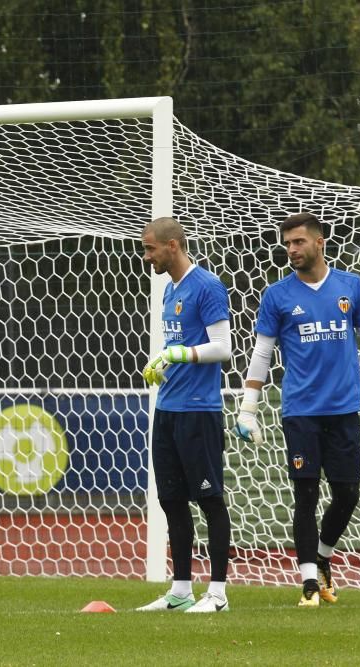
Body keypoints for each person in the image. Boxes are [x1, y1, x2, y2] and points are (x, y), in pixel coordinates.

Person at [233, 212, 360, 607]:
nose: (291, 250)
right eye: (287, 244)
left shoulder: (350, 287)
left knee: (348, 493)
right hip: (300, 410)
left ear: (319, 242)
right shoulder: (277, 296)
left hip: (344, 409)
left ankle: (322, 555)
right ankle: (307, 583)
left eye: (298, 242)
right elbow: (262, 353)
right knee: (305, 494)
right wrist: (248, 408)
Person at [136, 217, 234, 614]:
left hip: (199, 410)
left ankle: (219, 594)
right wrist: (162, 365)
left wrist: (179, 353)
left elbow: (222, 347)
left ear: (172, 246)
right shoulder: (169, 290)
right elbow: (177, 343)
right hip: (169, 408)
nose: (146, 257)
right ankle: (180, 590)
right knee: (171, 499)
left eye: (150, 249)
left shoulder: (207, 286)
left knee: (210, 500)